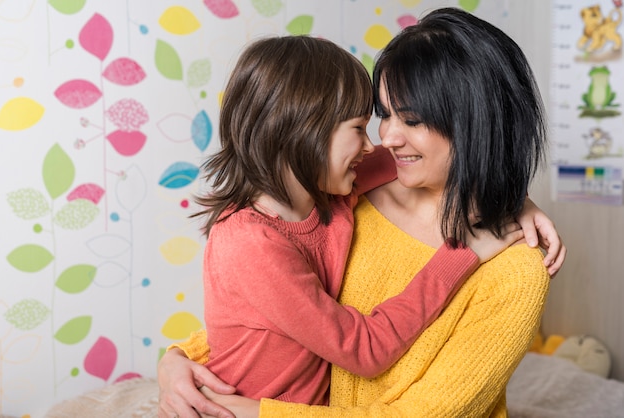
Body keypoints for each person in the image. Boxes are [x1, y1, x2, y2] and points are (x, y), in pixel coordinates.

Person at [158, 8, 566, 417]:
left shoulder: (515, 268)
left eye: (411, 119)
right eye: (383, 114)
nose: (384, 138)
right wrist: (177, 359)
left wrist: (513, 199)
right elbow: (277, 320)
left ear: (472, 124)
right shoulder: (346, 194)